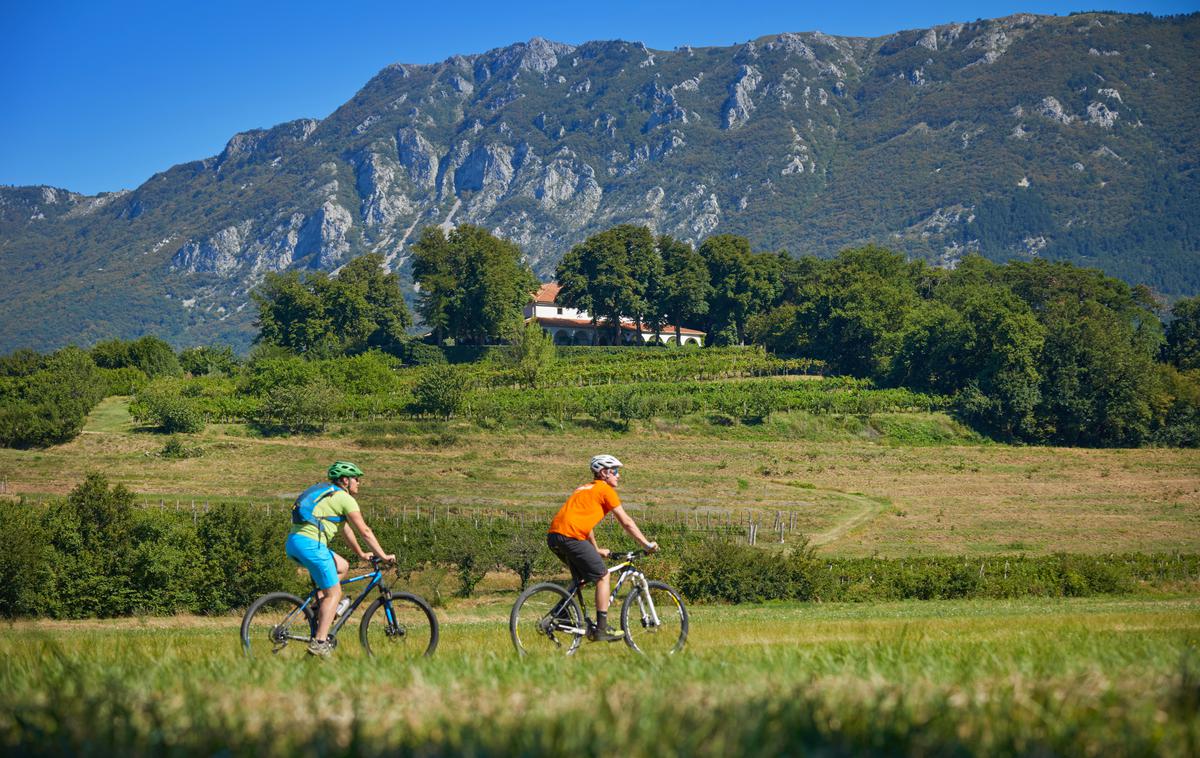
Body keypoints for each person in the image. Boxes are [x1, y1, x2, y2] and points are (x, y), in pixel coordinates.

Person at [285, 461, 395, 657]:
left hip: (295, 543)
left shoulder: (329, 495)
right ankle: (319, 642)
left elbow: (345, 530)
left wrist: (361, 554)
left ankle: (319, 609)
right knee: (334, 594)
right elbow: (365, 531)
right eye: (356, 479)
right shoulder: (345, 498)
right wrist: (383, 556)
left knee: (343, 566)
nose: (359, 483)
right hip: (312, 545)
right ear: (346, 480)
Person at [547, 454, 657, 642]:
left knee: (582, 576)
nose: (618, 475)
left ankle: (561, 614)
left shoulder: (583, 489)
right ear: (604, 473)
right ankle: (602, 629)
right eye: (615, 471)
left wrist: (595, 549)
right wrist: (646, 545)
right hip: (571, 536)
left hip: (555, 537)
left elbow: (585, 525)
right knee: (603, 575)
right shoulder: (605, 490)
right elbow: (627, 522)